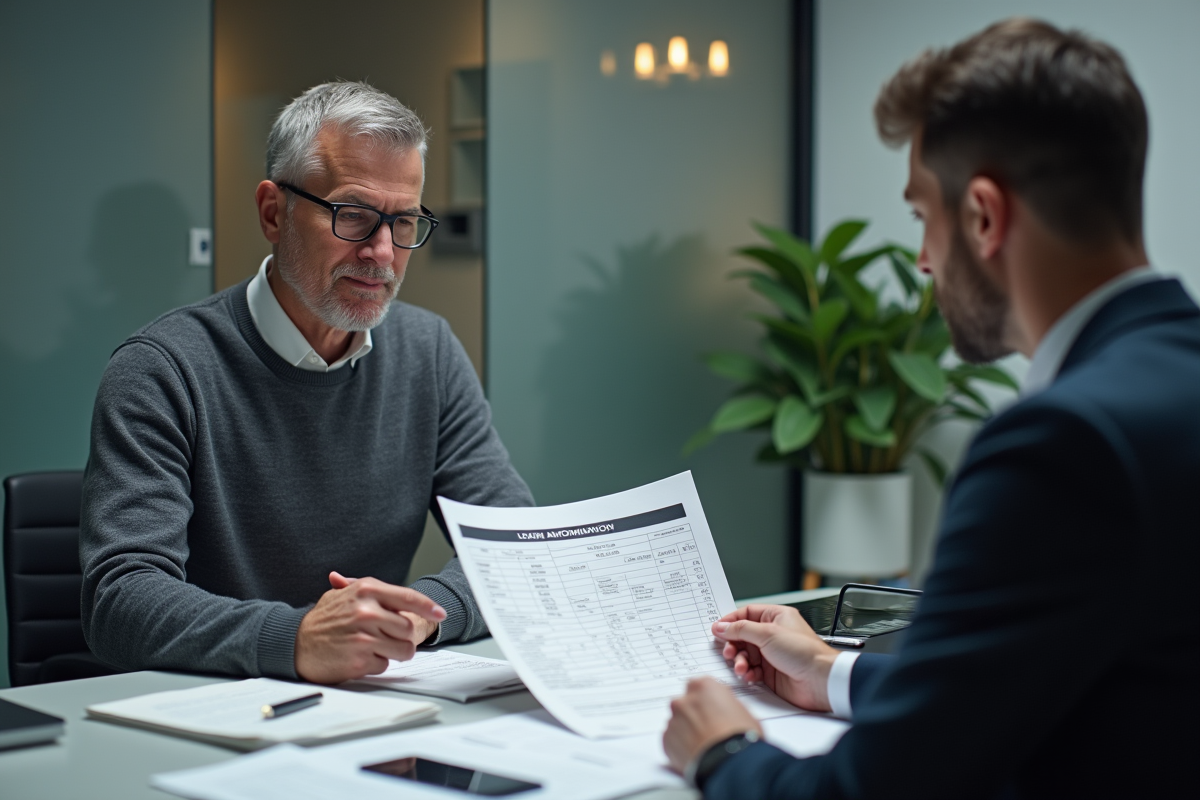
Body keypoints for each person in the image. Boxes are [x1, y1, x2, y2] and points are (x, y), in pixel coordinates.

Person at [663, 18, 1199, 799]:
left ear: (984, 216)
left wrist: (723, 754)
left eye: (923, 217)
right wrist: (831, 671)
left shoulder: (1065, 444)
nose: (921, 259)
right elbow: (1050, 686)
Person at [80, 81, 533, 684]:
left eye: (402, 223)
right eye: (353, 216)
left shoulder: (429, 352)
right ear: (274, 212)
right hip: (211, 711)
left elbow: (514, 546)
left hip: (372, 709)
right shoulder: (162, 369)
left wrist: (420, 616)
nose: (381, 252)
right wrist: (296, 637)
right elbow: (120, 600)